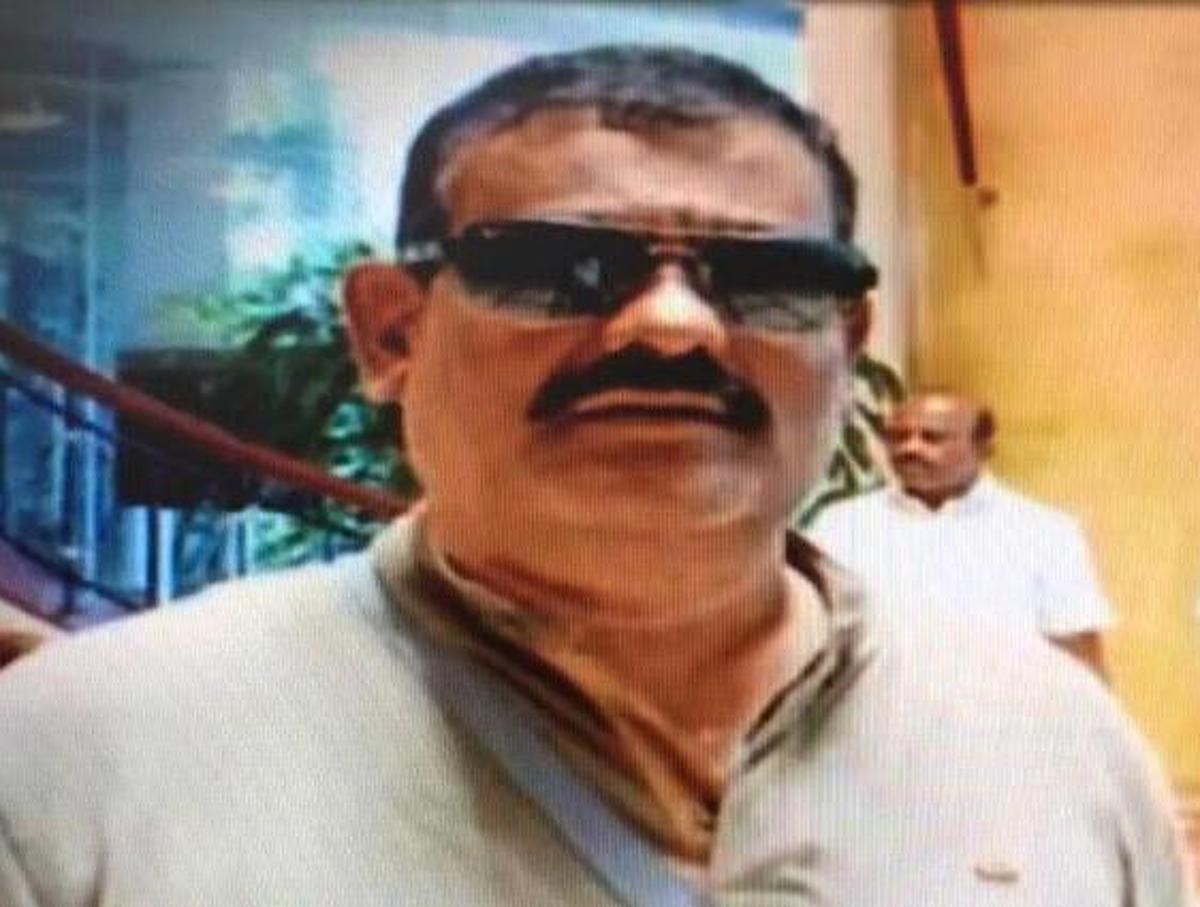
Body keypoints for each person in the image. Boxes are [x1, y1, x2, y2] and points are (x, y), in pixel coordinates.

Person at [0, 46, 1191, 907]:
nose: (673, 326)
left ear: (848, 344)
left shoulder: (1048, 744)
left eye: (766, 279)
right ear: (392, 331)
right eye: (562, 266)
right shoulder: (85, 757)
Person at [808, 390, 1114, 677]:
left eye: (932, 438)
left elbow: (1078, 654)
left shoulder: (1044, 532)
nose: (910, 448)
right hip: (876, 709)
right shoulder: (841, 525)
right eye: (899, 437)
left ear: (983, 448)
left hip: (1001, 710)